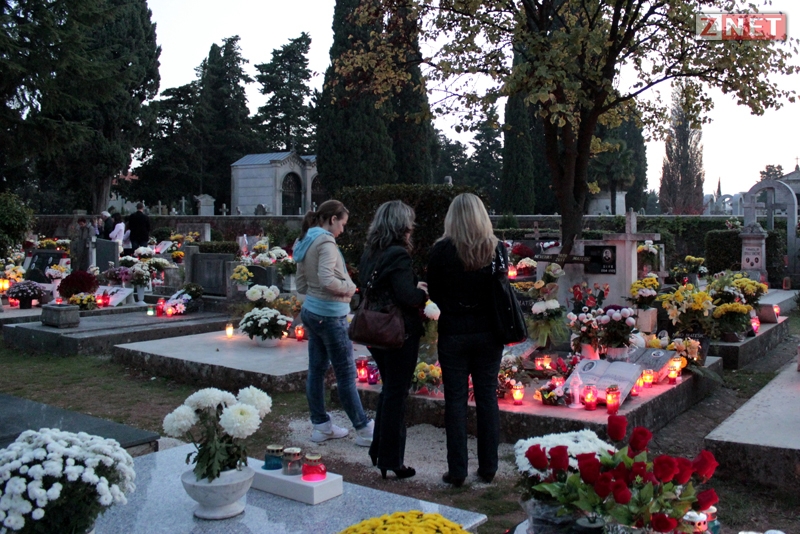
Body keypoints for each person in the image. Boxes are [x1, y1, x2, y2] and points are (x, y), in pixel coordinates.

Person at [427, 192, 505, 487]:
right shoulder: (496, 248)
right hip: (489, 331)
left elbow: (434, 293)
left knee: (455, 400)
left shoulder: (441, 251)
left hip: (454, 331)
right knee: (487, 398)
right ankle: (489, 467)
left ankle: (457, 469)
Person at [294, 200, 374, 447]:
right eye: (342, 223)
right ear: (332, 219)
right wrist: (350, 288)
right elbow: (328, 280)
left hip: (312, 311)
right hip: (330, 315)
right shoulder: (326, 243)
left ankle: (321, 426)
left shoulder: (305, 239)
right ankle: (364, 429)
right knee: (346, 374)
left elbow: (301, 283)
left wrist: (315, 295)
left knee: (317, 371)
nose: (342, 229)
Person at [358, 201, 427, 480]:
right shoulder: (398, 254)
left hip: (375, 330)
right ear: (401, 226)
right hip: (398, 333)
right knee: (397, 394)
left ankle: (379, 451)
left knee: (389, 391)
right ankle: (391, 460)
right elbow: (407, 297)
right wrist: (422, 292)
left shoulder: (370, 252)